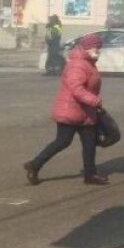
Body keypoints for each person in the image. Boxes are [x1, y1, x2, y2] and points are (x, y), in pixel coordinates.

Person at [23, 33, 110, 186]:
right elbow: (76, 88)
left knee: (89, 143)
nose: (99, 51)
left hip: (85, 111)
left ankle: (90, 175)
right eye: (97, 47)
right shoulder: (78, 64)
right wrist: (94, 100)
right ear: (89, 48)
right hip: (71, 109)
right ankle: (35, 164)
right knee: (62, 141)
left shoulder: (88, 62)